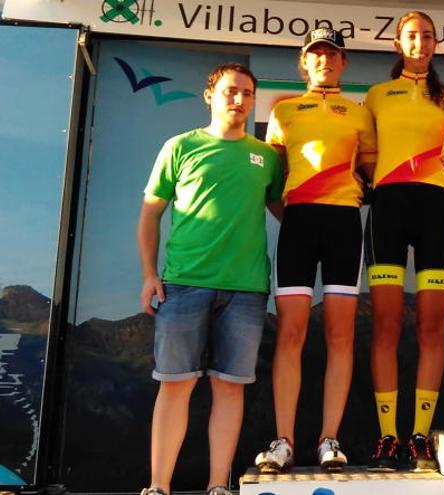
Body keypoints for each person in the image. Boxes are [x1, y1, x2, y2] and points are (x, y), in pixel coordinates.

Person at [137, 63, 283, 495]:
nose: (239, 99)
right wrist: (149, 274)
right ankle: (158, 487)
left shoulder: (267, 157)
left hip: (246, 290)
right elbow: (150, 213)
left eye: (247, 93)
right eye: (230, 91)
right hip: (183, 283)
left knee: (230, 389)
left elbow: (285, 211)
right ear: (210, 95)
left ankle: (218, 486)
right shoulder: (180, 147)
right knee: (175, 387)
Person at [253, 28, 376, 473]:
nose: (324, 61)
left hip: (344, 223)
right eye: (316, 55)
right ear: (303, 63)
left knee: (341, 336)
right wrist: (292, 218)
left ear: (343, 62)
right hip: (299, 222)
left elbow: (376, 169)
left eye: (332, 54)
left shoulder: (359, 113)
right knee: (290, 334)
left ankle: (329, 439)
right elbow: (268, 177)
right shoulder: (283, 111)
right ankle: (283, 440)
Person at [362, 10, 444, 472]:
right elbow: (364, 158)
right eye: (411, 37)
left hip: (438, 211)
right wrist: (386, 183)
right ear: (398, 45)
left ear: (435, 44)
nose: (419, 43)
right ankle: (388, 437)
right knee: (385, 325)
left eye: (426, 36)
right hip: (388, 211)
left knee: (431, 328)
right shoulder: (377, 95)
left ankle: (419, 437)